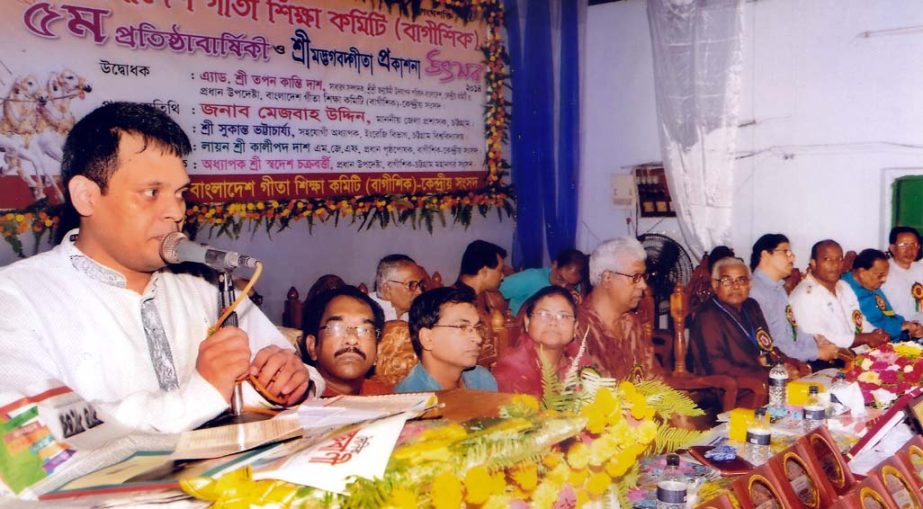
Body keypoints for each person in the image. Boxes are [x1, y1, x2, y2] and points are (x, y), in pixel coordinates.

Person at [0, 102, 321, 433]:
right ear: (86, 197)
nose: (175, 211)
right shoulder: (16, 297)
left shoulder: (205, 284)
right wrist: (199, 394)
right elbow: (33, 433)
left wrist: (291, 380)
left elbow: (300, 374)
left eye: (180, 193)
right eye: (151, 192)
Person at [690, 258, 802, 407]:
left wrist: (790, 364)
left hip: (761, 379)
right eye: (727, 281)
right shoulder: (707, 316)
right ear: (715, 284)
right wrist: (771, 375)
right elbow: (718, 366)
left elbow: (767, 348)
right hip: (727, 390)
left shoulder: (751, 306)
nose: (735, 286)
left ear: (750, 284)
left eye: (741, 280)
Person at [576, 237, 662, 380]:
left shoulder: (631, 324)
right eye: (635, 277)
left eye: (643, 277)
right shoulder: (577, 327)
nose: (643, 286)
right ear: (607, 277)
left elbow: (655, 380)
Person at [748, 234, 837, 363]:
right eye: (786, 252)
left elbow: (793, 331)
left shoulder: (778, 288)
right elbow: (773, 345)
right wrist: (817, 353)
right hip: (781, 364)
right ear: (765, 255)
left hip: (796, 358)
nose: (793, 257)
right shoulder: (755, 292)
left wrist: (816, 343)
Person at [789, 240, 890, 349]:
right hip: (831, 359)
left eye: (839, 259)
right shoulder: (805, 296)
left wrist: (875, 333)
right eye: (827, 259)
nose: (835, 264)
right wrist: (864, 338)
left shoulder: (843, 286)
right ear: (813, 263)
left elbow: (859, 320)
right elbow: (818, 338)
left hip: (860, 353)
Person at [394, 287, 498, 392]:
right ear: (427, 338)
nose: (478, 339)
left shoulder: (481, 379)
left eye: (476, 328)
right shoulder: (414, 399)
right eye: (462, 327)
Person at [492, 286, 588, 397]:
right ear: (527, 322)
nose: (553, 322)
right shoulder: (512, 370)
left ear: (575, 328)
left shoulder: (581, 366)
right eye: (544, 315)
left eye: (563, 316)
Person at [301, 286, 390, 396]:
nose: (352, 340)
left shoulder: (384, 397)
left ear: (377, 352)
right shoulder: (298, 400)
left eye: (365, 330)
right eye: (337, 328)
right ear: (312, 346)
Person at [843, 249, 923, 341]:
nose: (884, 280)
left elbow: (889, 315)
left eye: (885, 275)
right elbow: (866, 329)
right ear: (862, 272)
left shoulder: (871, 285)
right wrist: (900, 328)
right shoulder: (846, 290)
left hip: (899, 338)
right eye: (880, 275)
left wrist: (911, 326)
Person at [454, 240, 511, 367]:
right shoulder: (454, 303)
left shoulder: (490, 297)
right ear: (484, 271)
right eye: (500, 270)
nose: (502, 276)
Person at [499, 249, 588, 316]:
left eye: (571, 285)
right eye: (561, 278)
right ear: (554, 265)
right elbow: (492, 289)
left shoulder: (577, 290)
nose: (563, 286)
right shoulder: (531, 278)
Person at [881, 226, 923, 323]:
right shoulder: (883, 271)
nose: (910, 250)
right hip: (898, 328)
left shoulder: (920, 269)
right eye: (904, 245)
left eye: (914, 245)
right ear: (892, 248)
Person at [370, 254, 427, 321]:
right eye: (411, 285)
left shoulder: (418, 312)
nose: (419, 291)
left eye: (420, 284)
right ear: (387, 289)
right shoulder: (368, 314)